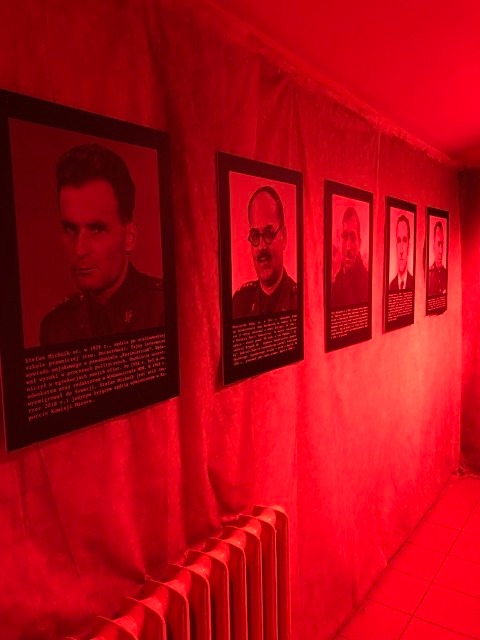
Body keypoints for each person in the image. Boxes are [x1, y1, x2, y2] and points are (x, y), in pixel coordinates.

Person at [40, 143, 164, 346]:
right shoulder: (56, 328)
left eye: (96, 229)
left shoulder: (163, 309)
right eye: (71, 229)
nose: (79, 249)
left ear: (129, 237)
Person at [232, 186, 297, 318]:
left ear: (284, 237)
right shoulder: (240, 303)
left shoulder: (298, 301)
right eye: (255, 235)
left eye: (269, 233)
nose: (262, 246)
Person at [331, 206, 368, 307]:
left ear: (359, 243)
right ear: (340, 240)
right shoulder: (335, 286)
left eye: (353, 238)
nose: (348, 247)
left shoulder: (367, 284)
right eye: (344, 237)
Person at [389, 214, 414, 291]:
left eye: (405, 241)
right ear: (396, 246)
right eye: (399, 241)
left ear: (408, 247)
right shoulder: (391, 286)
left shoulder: (414, 283)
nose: (401, 251)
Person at [428, 220, 447, 295]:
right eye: (438, 244)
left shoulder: (445, 273)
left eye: (442, 244)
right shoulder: (429, 275)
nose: (441, 251)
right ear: (433, 247)